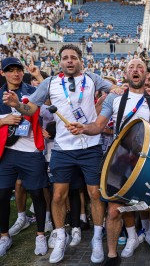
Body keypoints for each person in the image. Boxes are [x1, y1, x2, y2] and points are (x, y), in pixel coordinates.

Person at [3, 44, 112, 264]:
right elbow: (31, 109)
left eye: (73, 57)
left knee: (94, 194)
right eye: (65, 58)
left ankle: (98, 238)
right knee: (58, 196)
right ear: (59, 62)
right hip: (62, 149)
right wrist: (17, 104)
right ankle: (61, 237)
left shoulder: (93, 78)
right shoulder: (49, 82)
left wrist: (104, 105)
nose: (69, 61)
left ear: (81, 61)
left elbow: (116, 90)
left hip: (90, 146)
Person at [67, 58, 150, 266]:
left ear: (144, 73)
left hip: (149, 160)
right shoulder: (115, 98)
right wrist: (84, 128)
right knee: (114, 211)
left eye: (140, 67)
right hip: (119, 159)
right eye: (131, 67)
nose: (136, 70)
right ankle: (112, 256)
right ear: (126, 73)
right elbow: (98, 125)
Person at [0, 57, 48, 257]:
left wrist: (38, 76)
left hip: (31, 151)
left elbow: (50, 102)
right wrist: (3, 120)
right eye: (10, 70)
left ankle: (40, 235)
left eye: (18, 69)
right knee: (2, 194)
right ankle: (4, 236)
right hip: (7, 152)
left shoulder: (32, 91)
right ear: (3, 73)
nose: (15, 73)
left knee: (37, 193)